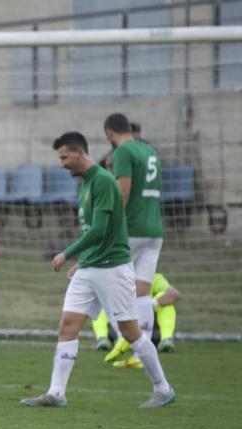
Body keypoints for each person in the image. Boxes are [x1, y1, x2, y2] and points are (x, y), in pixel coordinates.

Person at [21, 132, 174, 409]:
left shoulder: (103, 182)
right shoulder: (87, 184)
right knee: (68, 325)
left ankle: (162, 388)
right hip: (91, 267)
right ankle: (56, 393)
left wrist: (68, 253)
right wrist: (83, 261)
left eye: (64, 157)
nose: (62, 163)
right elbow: (94, 232)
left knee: (130, 330)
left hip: (113, 268)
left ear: (80, 152)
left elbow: (102, 230)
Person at [103, 113, 164, 366]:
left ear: (109, 133)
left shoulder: (123, 152)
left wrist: (108, 221)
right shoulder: (150, 151)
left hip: (130, 229)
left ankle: (122, 337)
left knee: (111, 283)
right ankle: (143, 352)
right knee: (142, 291)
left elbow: (124, 192)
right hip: (154, 229)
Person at [97, 272, 181, 367]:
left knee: (166, 302)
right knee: (102, 303)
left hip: (150, 331)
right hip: (122, 325)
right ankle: (103, 339)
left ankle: (166, 339)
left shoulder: (154, 277)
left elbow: (174, 294)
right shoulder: (119, 276)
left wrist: (151, 305)